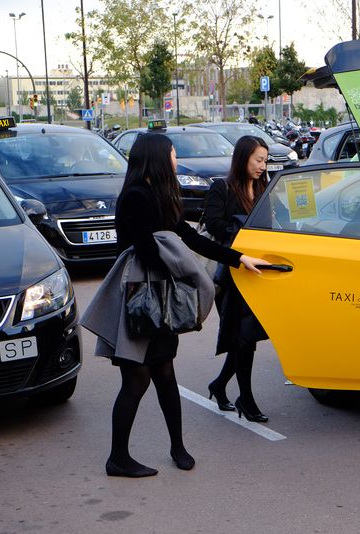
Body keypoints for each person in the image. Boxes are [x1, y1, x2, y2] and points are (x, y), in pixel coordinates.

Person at [102, 133, 268, 478]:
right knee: (136, 381)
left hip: (158, 300)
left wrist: (238, 259)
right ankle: (117, 458)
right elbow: (147, 249)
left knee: (164, 373)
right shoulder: (136, 197)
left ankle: (178, 447)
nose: (176, 160)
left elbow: (192, 238)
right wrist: (183, 272)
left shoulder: (161, 196)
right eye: (174, 154)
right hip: (138, 301)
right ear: (159, 158)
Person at [205, 136, 273, 423]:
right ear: (243, 158)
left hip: (257, 273)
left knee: (245, 338)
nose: (262, 165)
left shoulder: (264, 187)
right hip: (231, 274)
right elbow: (213, 224)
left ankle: (219, 386)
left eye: (265, 160)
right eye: (258, 159)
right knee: (243, 337)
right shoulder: (222, 187)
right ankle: (245, 398)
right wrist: (241, 229)